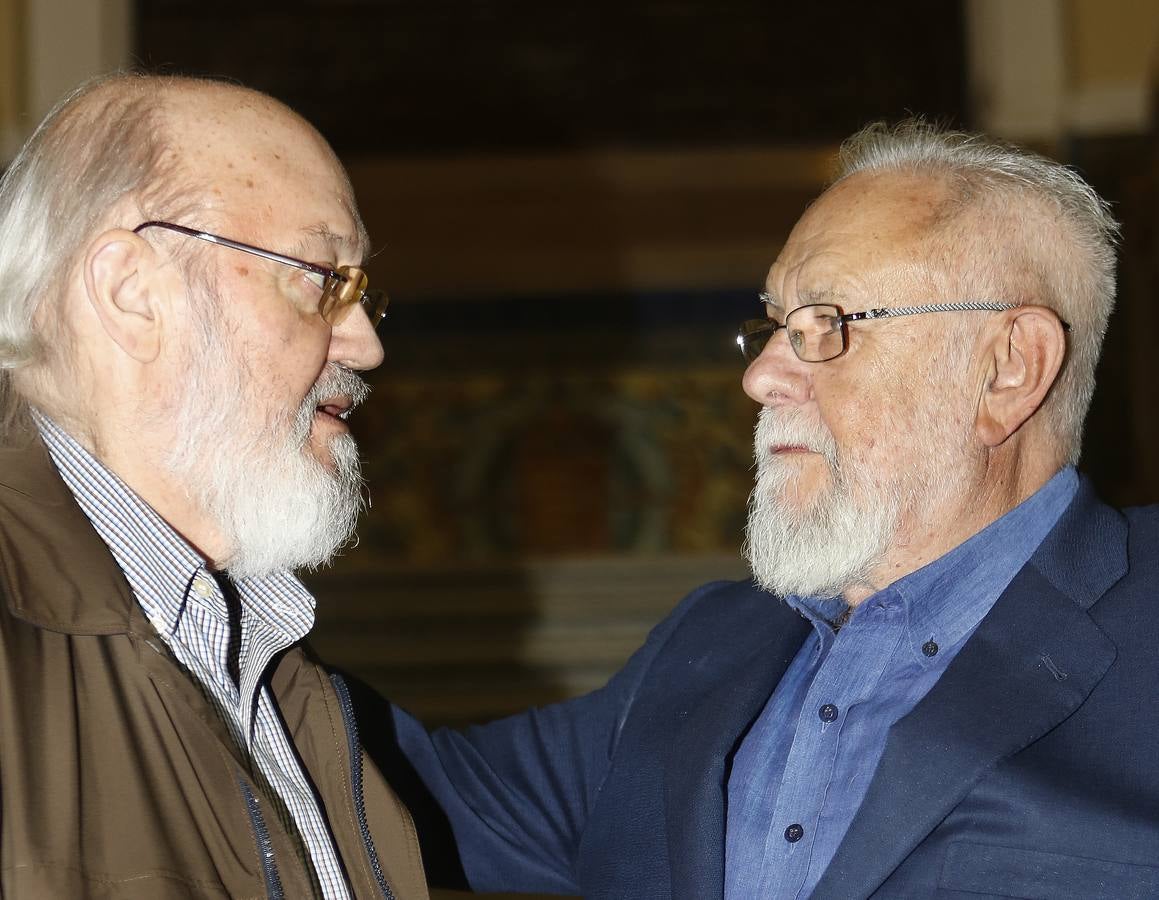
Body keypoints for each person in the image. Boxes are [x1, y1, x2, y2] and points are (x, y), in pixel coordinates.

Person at [379, 121, 1159, 899]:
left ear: (1007, 368)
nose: (761, 378)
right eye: (774, 326)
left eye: (826, 323)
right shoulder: (708, 648)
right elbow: (393, 800)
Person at [0, 73, 425, 898]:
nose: (365, 344)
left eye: (360, 291)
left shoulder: (270, 666)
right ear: (132, 293)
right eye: (320, 278)